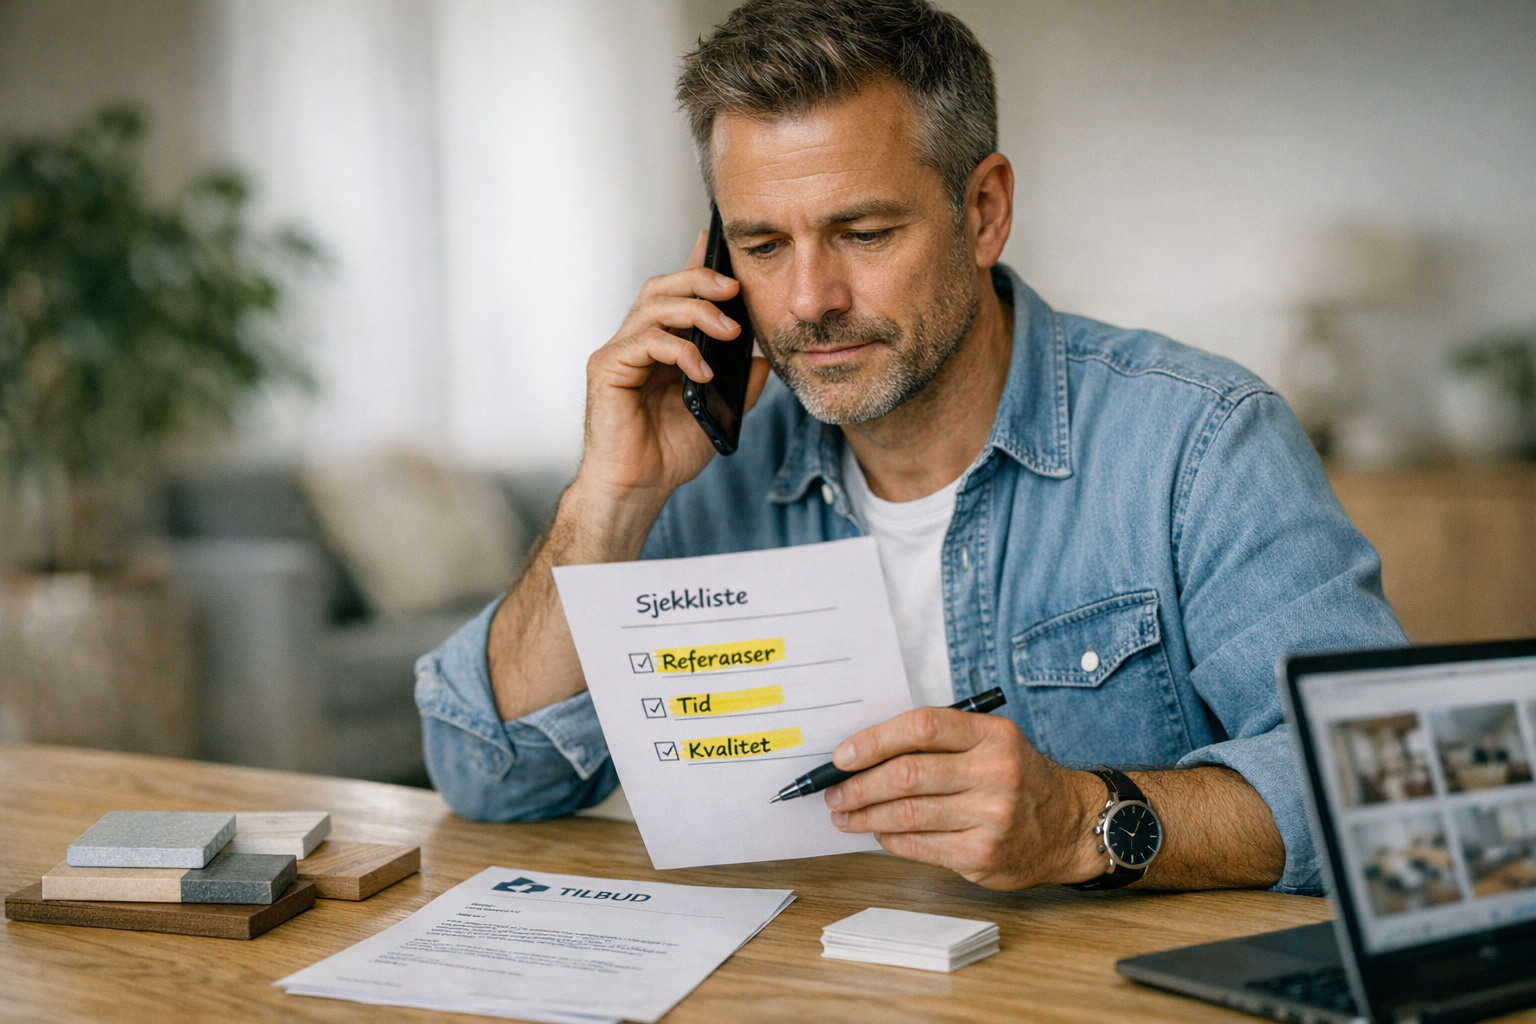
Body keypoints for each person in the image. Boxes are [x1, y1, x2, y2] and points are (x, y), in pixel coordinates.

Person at [415, 0, 1404, 894]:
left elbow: (1380, 794)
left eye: (865, 232)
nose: (808, 301)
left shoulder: (1200, 442)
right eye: (761, 246)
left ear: (983, 211)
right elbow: (487, 775)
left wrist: (1083, 823)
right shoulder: (707, 468)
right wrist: (610, 499)